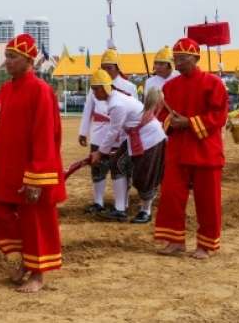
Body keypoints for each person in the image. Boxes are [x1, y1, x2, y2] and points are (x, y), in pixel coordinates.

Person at [0, 33, 65, 293]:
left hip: (32, 170)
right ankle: (25, 260)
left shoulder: (41, 90)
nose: (6, 61)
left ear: (28, 60)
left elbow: (45, 136)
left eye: (12, 57)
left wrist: (36, 178)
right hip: (7, 168)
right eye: (6, 56)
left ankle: (38, 274)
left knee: (35, 221)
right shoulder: (7, 89)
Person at [154, 37, 229, 259]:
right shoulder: (169, 86)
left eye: (182, 59)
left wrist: (189, 122)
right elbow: (163, 114)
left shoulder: (213, 83)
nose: (178, 63)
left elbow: (218, 116)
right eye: (175, 59)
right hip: (178, 149)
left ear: (195, 58)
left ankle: (205, 245)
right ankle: (175, 241)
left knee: (208, 200)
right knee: (171, 196)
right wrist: (171, 123)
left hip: (205, 149)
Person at [88, 69, 166, 223]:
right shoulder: (115, 100)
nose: (94, 93)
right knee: (117, 163)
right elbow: (122, 129)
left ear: (105, 88)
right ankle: (120, 209)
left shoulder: (116, 104)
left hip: (150, 138)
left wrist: (99, 153)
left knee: (145, 174)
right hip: (135, 136)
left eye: (96, 89)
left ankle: (146, 211)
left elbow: (113, 132)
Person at [78, 48, 128, 216]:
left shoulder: (129, 87)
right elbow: (88, 109)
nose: (106, 71)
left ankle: (121, 205)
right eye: (104, 67)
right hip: (99, 133)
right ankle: (98, 202)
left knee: (120, 169)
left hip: (120, 134)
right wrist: (83, 132)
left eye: (110, 67)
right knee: (97, 168)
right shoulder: (96, 84)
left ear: (117, 68)